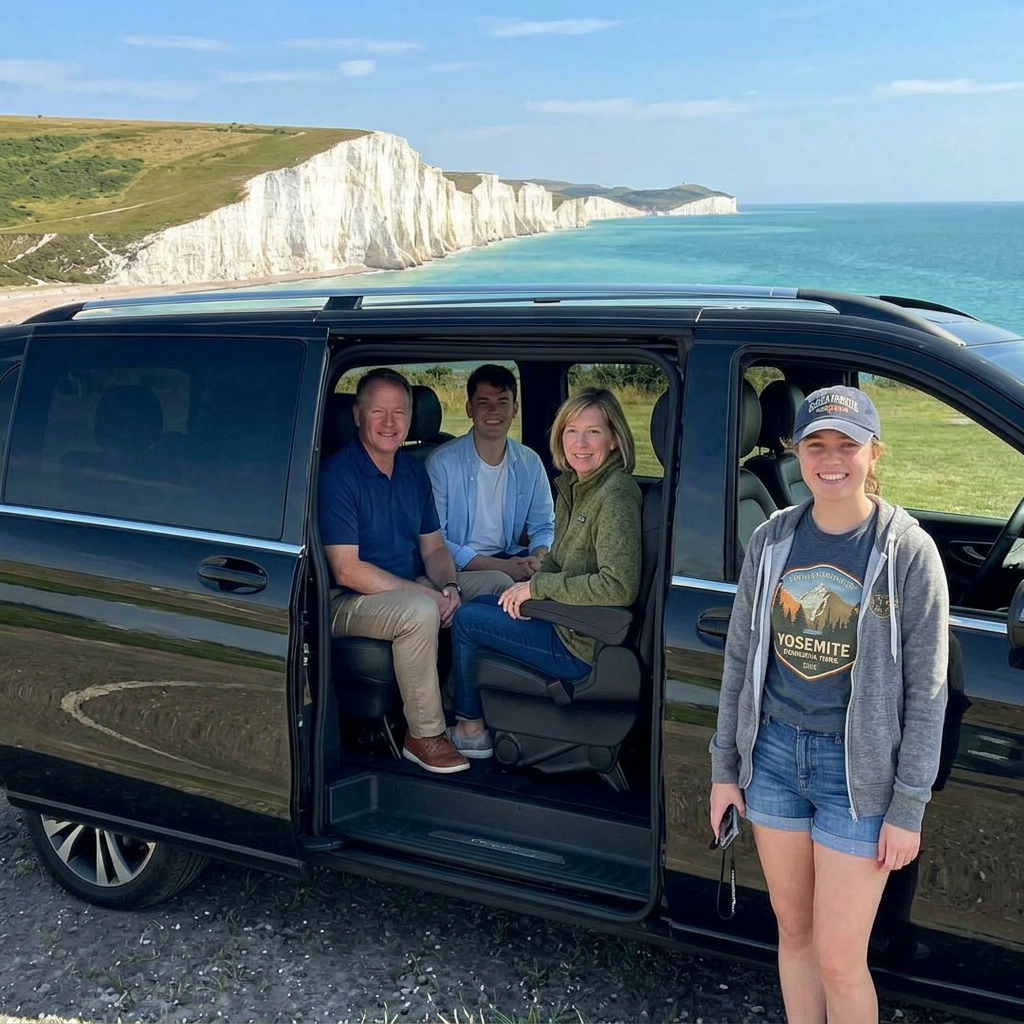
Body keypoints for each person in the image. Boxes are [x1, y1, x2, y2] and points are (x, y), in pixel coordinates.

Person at [709, 385, 949, 1024]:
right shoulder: (773, 541)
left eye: (848, 445)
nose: (831, 459)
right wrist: (724, 771)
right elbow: (740, 661)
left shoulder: (907, 553)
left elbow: (927, 694)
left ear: (875, 453)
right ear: (796, 452)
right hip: (776, 758)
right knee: (795, 936)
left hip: (858, 777)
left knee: (842, 961)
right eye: (816, 444)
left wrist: (907, 805)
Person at [318, 368, 512, 775]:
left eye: (399, 412)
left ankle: (464, 709)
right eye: (378, 412)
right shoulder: (338, 475)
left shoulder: (411, 471)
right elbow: (347, 570)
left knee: (496, 584)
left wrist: (450, 586)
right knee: (420, 611)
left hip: (406, 583)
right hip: (347, 600)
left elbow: (435, 547)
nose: (390, 423)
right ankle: (423, 735)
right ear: (357, 415)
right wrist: (426, 596)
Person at [448, 387, 642, 759]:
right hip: (567, 620)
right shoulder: (578, 485)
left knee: (468, 619)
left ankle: (469, 727)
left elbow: (618, 586)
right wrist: (527, 583)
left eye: (593, 432)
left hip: (580, 641)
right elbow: (560, 558)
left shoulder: (615, 495)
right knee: (490, 600)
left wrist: (538, 587)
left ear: (615, 440)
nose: (580, 443)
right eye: (571, 430)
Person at [426, 364, 555, 583]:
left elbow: (543, 526)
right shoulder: (441, 464)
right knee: (505, 586)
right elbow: (436, 540)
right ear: (469, 409)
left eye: (502, 403)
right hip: (457, 567)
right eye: (484, 403)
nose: (493, 411)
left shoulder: (530, 462)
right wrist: (502, 568)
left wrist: (537, 557)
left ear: (515, 409)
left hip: (513, 557)